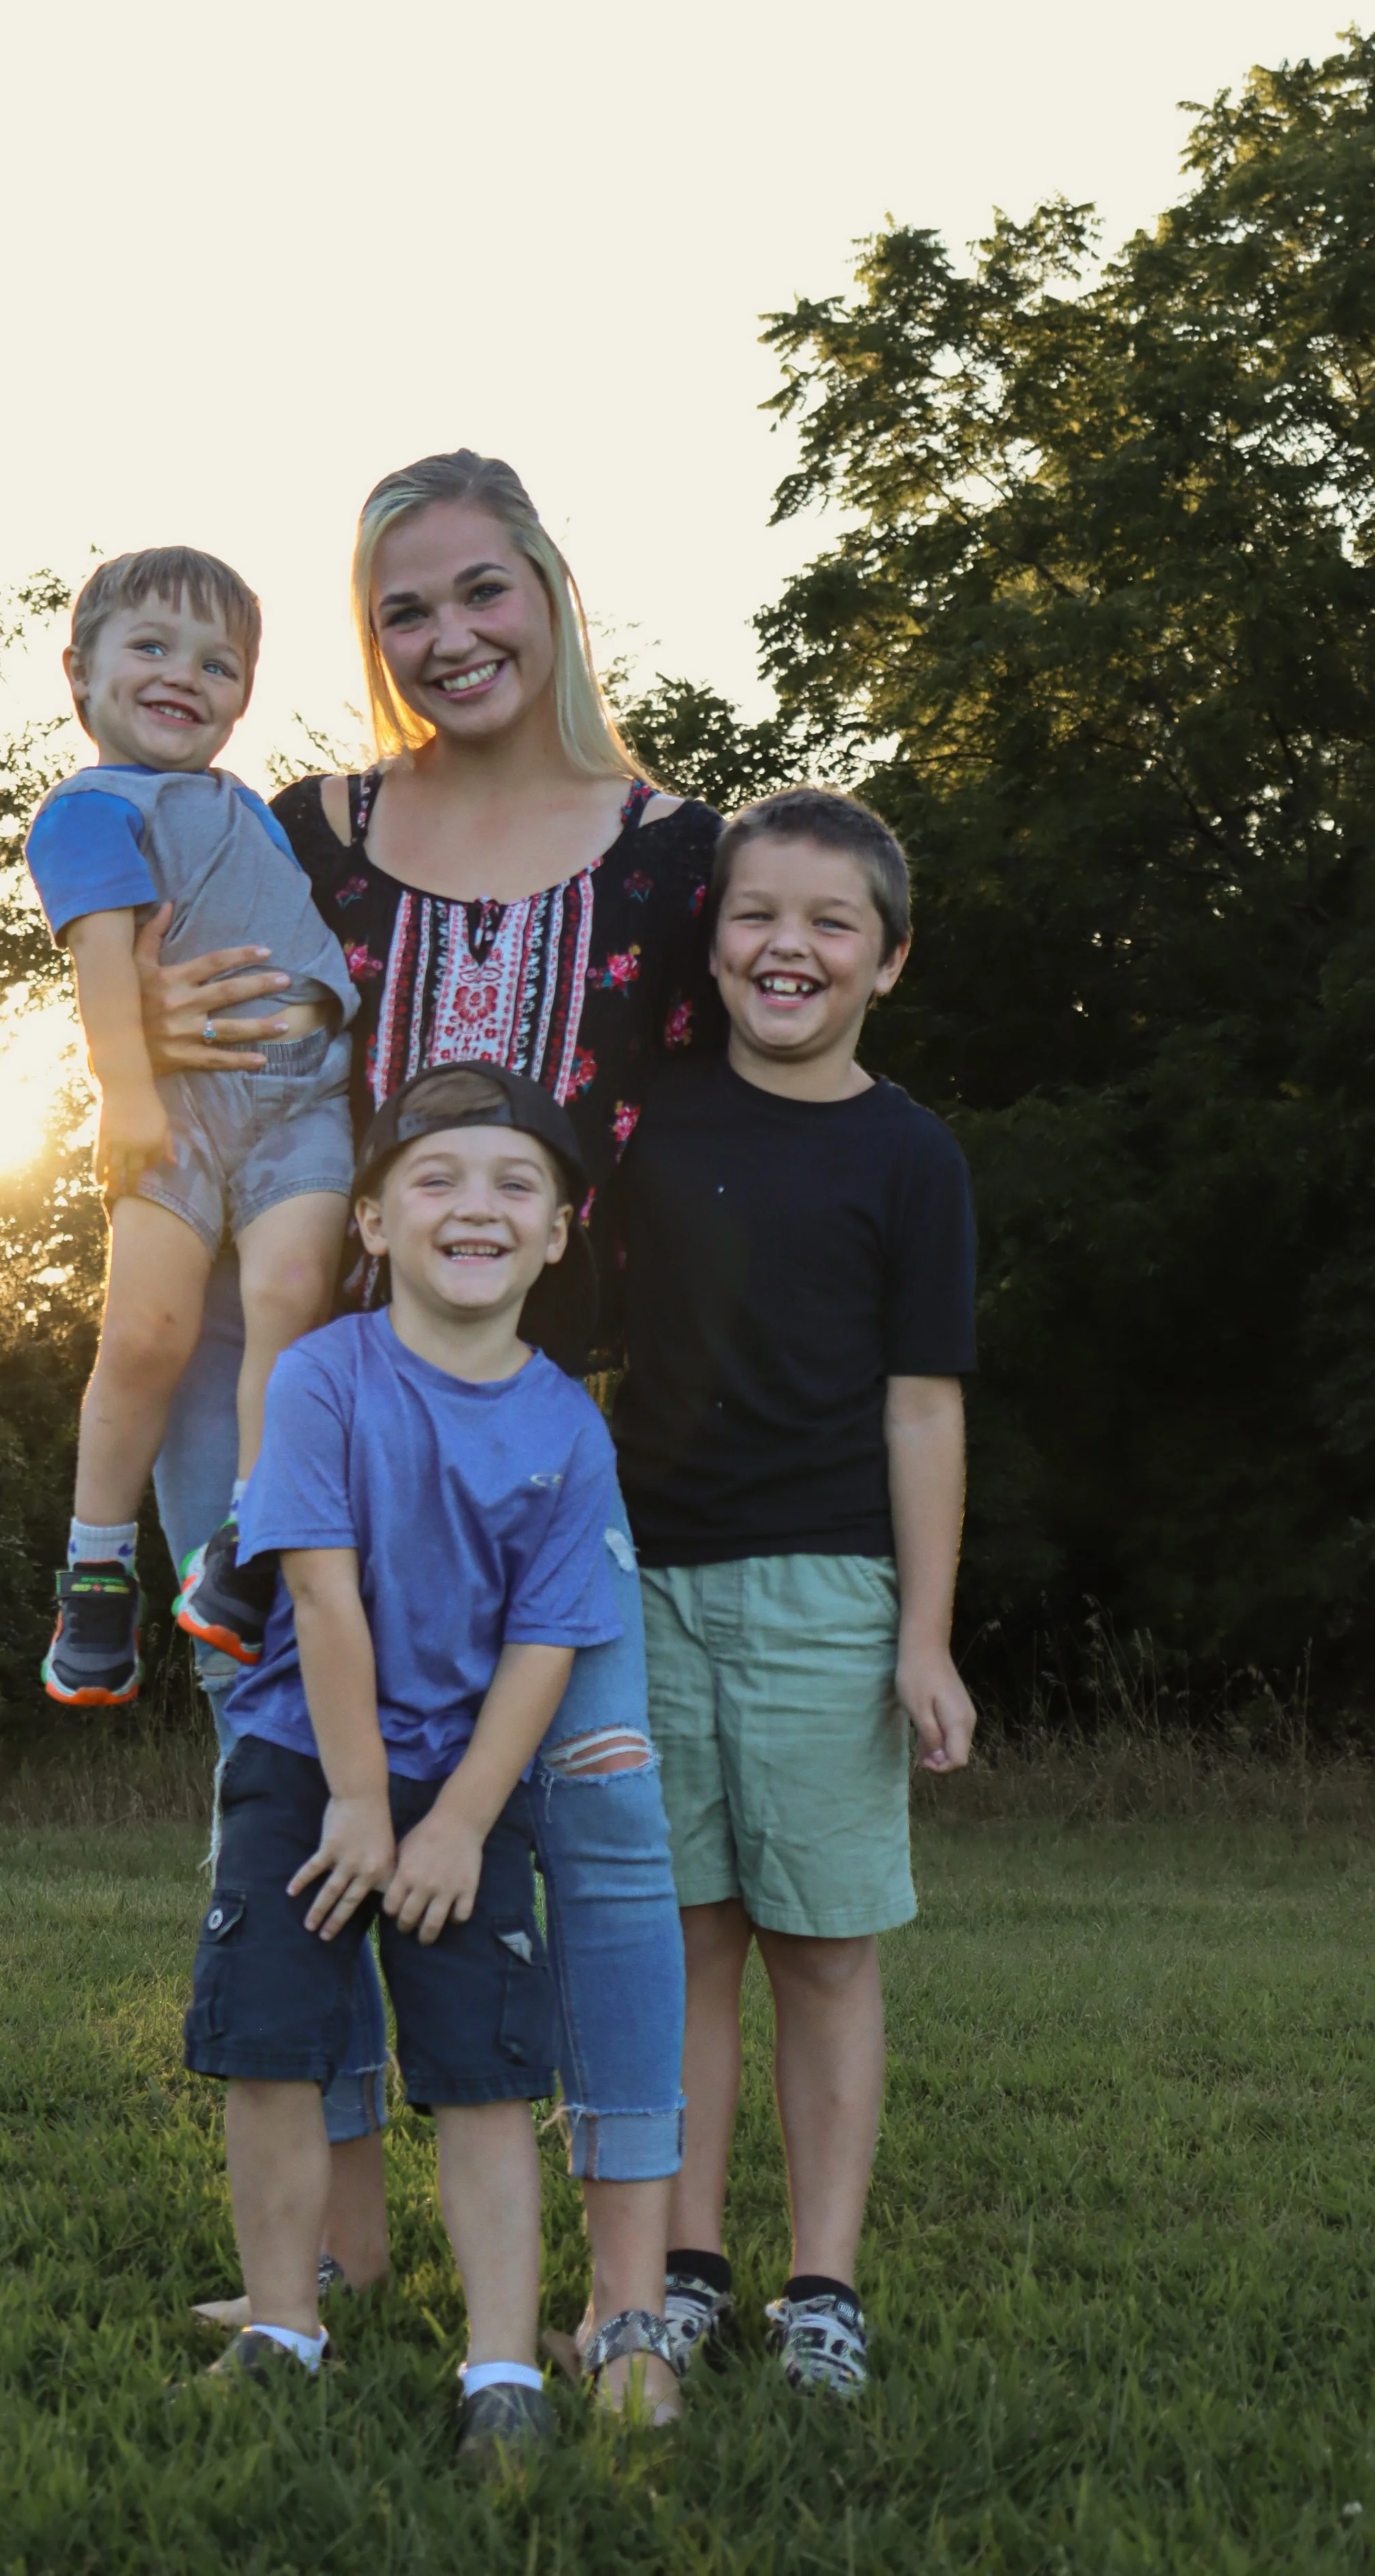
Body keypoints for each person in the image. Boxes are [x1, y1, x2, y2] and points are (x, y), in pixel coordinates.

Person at [139, 452, 723, 2414]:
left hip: (560, 1438)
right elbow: (171, 1010)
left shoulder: (672, 852)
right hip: (312, 1397)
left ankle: (624, 2295)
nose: (447, 636)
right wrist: (147, 1037)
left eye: (482, 592)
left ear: (550, 590)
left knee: (603, 1837)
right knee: (311, 1803)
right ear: (368, 634)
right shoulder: (305, 831)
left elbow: (753, 1093)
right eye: (402, 609)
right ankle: (333, 2247)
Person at [185, 1062, 620, 2465]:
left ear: (557, 1231)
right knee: (272, 2050)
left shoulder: (568, 1429)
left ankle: (502, 2371)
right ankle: (279, 2328)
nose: (473, 1207)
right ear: (371, 1220)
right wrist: (361, 1807)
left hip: (466, 1792)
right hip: (300, 1764)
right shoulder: (321, 1378)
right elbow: (318, 1595)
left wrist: (450, 1826)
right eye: (434, 1179)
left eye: (513, 1185)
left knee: (487, 2076)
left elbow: (544, 1650)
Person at [610, 785, 979, 2397]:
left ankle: (815, 2287)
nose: (789, 946)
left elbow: (922, 1404)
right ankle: (685, 2271)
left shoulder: (909, 1156)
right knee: (682, 1939)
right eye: (758, 913)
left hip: (829, 1592)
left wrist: (922, 1637)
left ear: (885, 963)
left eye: (832, 924)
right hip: (639, 1585)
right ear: (713, 933)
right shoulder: (651, 1119)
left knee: (820, 1949)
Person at [24, 547, 357, 1706]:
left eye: (218, 663)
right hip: (180, 1107)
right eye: (152, 648)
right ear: (82, 672)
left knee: (290, 1308)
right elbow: (106, 958)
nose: (185, 677)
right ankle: (98, 1569)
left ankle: (245, 1549)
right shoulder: (87, 810)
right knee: (150, 1336)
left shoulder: (253, 808)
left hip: (306, 1098)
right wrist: (124, 1087)